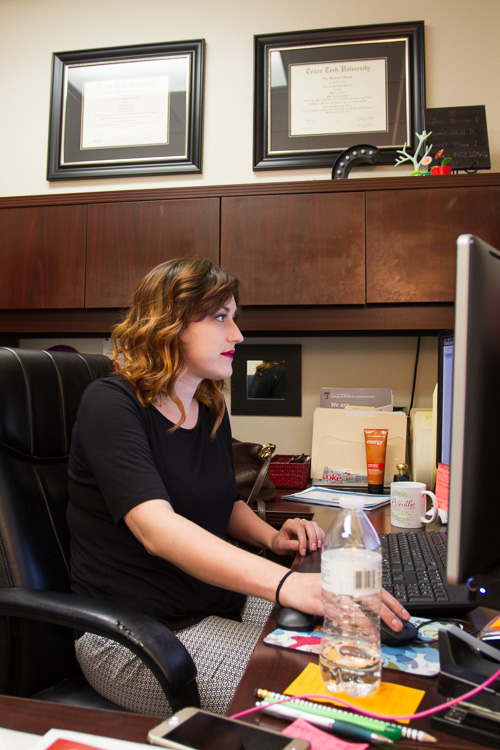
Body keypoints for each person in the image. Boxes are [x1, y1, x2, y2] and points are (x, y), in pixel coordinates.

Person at [67, 257, 409, 716]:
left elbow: (222, 501)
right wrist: (287, 584)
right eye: (221, 318)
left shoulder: (209, 407)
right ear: (170, 324)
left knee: (366, 656)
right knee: (324, 698)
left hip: (212, 602)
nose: (238, 336)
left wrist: (272, 536)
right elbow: (158, 529)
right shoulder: (110, 404)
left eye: (235, 319)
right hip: (134, 633)